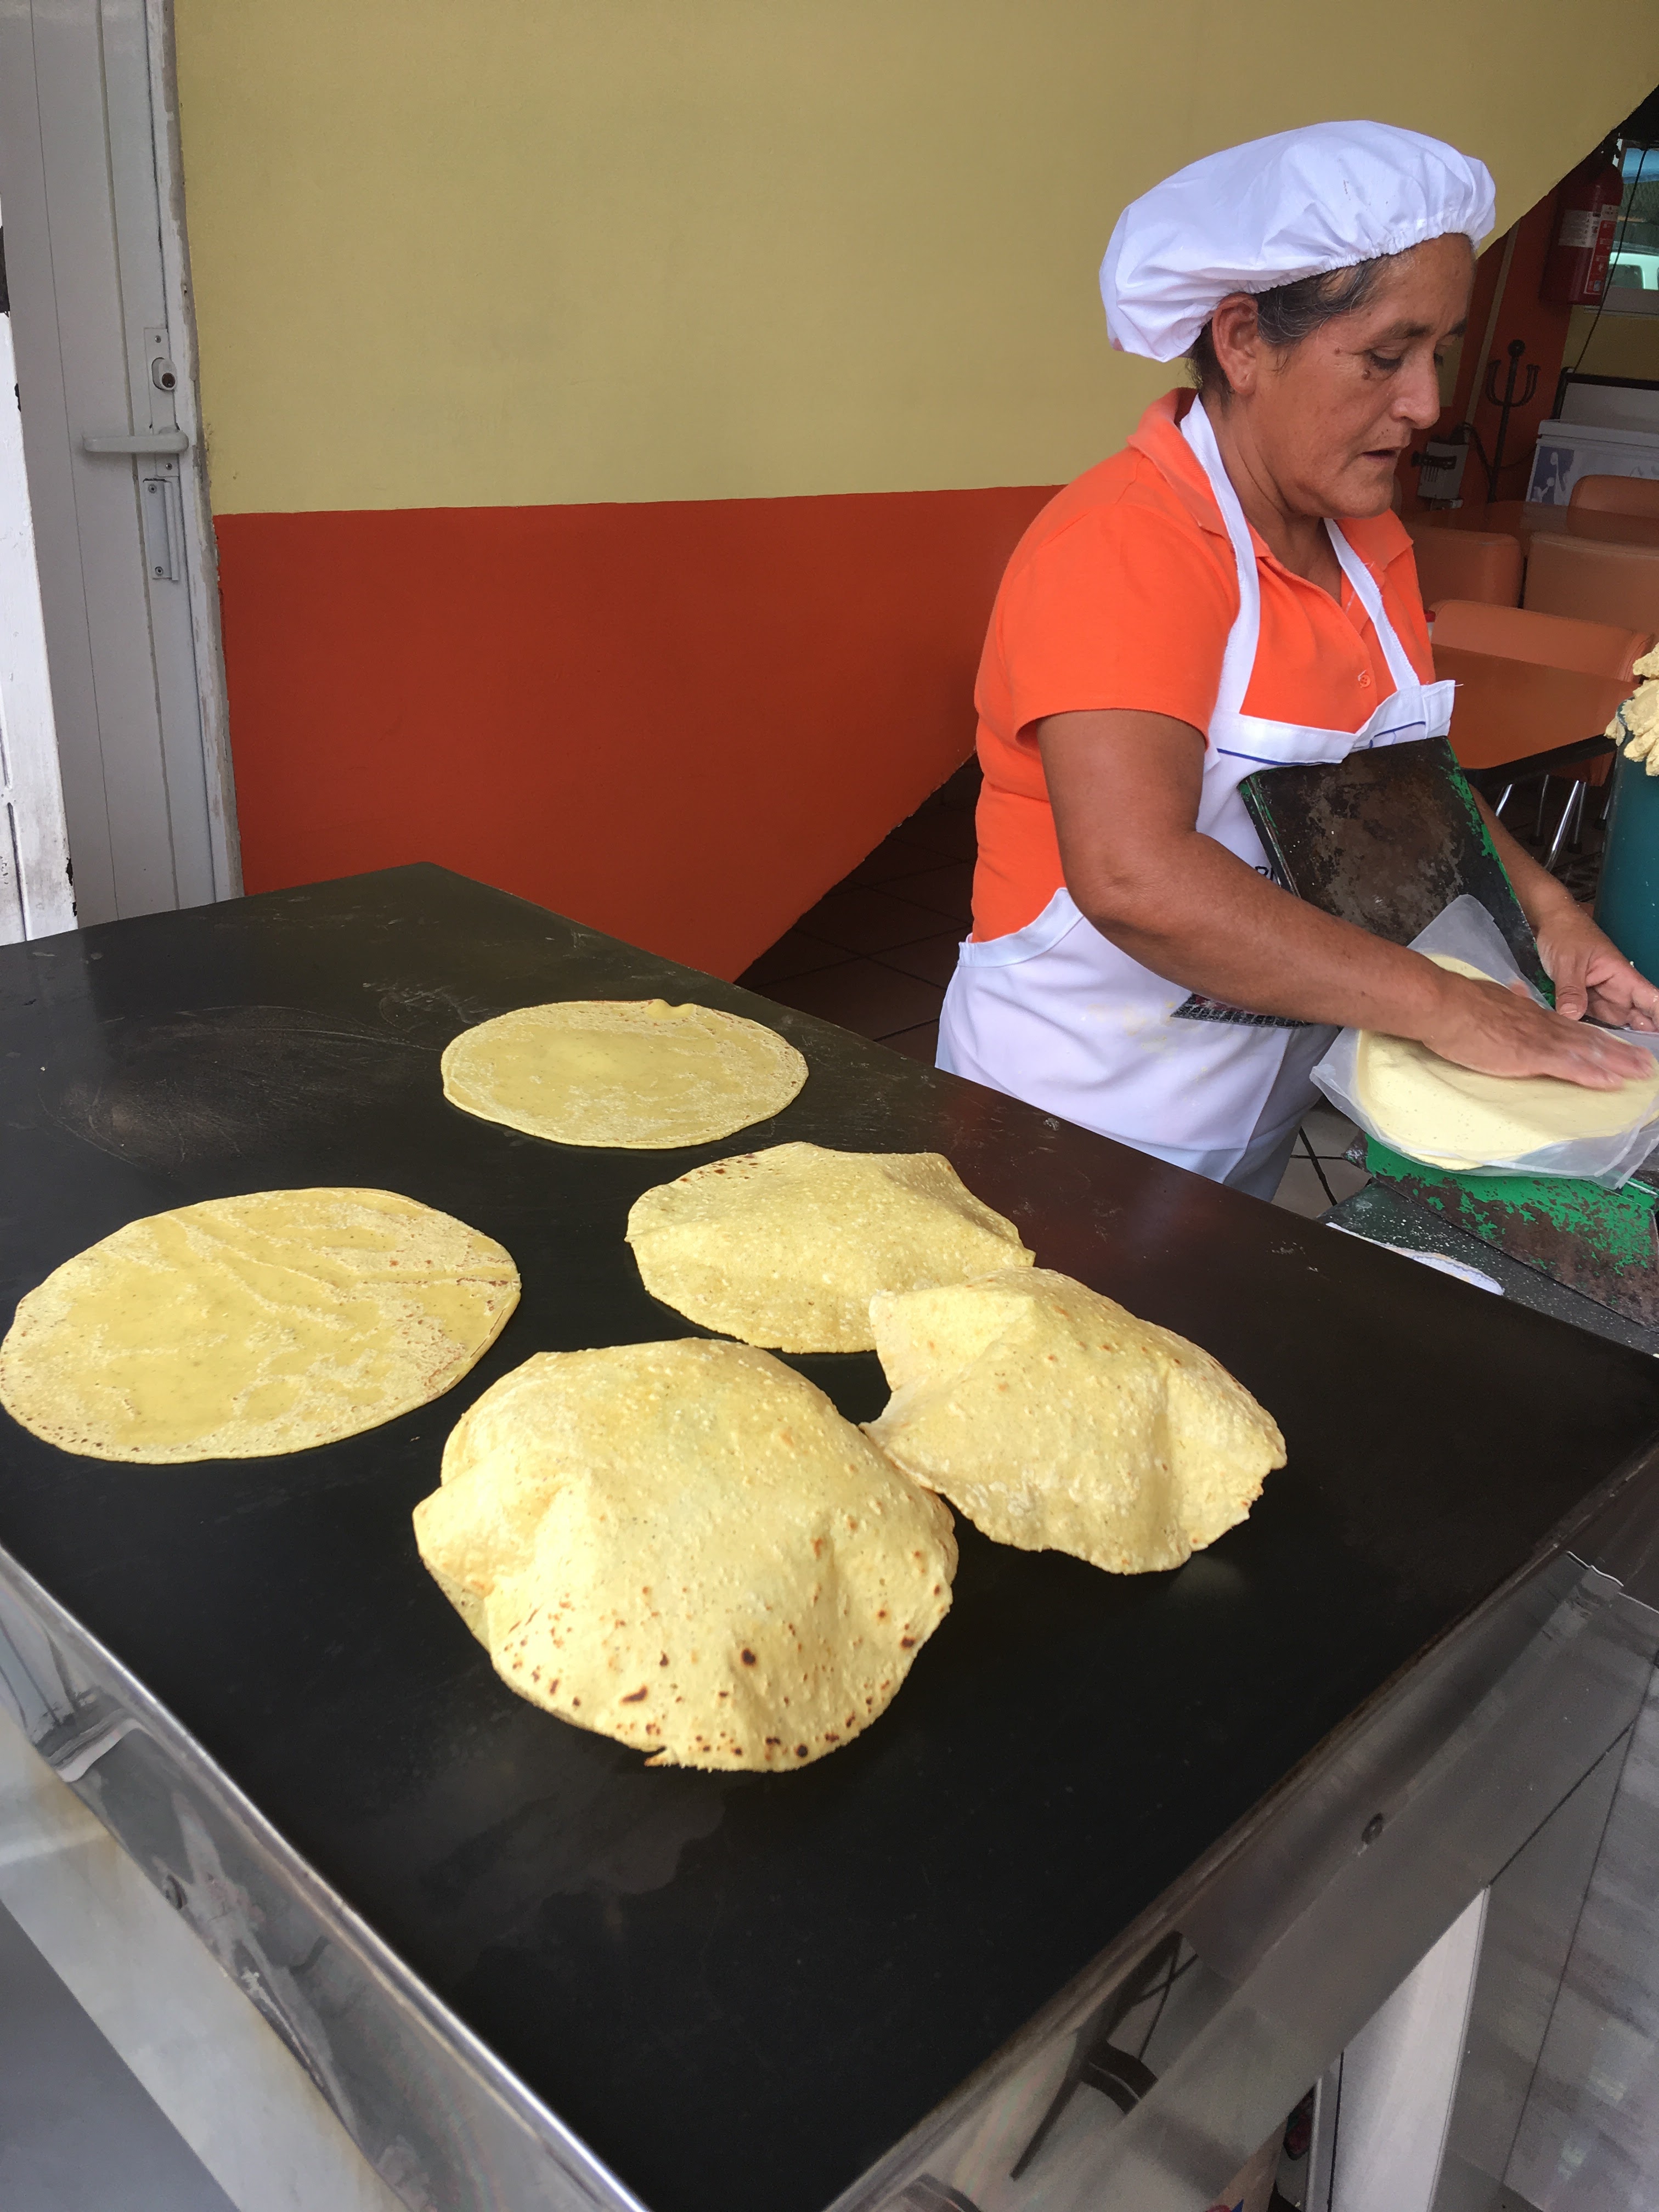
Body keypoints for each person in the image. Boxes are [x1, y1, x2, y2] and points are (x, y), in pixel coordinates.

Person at [938, 121, 1659, 1199]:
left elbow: (1406, 792)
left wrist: (1551, 914)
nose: (1426, 404)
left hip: (1258, 1104)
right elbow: (1137, 878)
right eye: (1385, 356)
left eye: (1440, 353)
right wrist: (1452, 1006)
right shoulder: (1126, 549)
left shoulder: (1368, 546)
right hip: (1072, 1121)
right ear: (1241, 340)